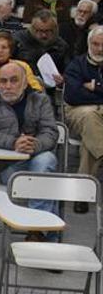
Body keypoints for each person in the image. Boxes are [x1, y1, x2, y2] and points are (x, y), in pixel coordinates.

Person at [0, 63, 59, 240]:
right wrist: (13, 143)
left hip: (35, 157)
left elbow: (51, 132)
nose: (8, 86)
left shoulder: (40, 99)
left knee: (46, 160)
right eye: (3, 81)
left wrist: (35, 145)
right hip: (8, 165)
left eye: (13, 80)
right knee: (47, 183)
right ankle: (45, 233)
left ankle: (36, 230)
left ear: (25, 82)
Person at [63, 27, 103, 210]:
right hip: (77, 110)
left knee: (91, 137)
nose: (100, 49)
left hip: (95, 117)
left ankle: (82, 194)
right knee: (90, 116)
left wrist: (94, 87)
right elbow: (73, 96)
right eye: (96, 44)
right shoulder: (76, 65)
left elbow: (83, 92)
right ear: (89, 44)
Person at [13, 9, 70, 86]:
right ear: (32, 28)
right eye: (39, 31)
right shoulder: (18, 40)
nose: (44, 35)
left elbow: (69, 72)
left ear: (55, 29)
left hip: (50, 89)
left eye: (48, 31)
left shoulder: (61, 46)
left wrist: (62, 79)